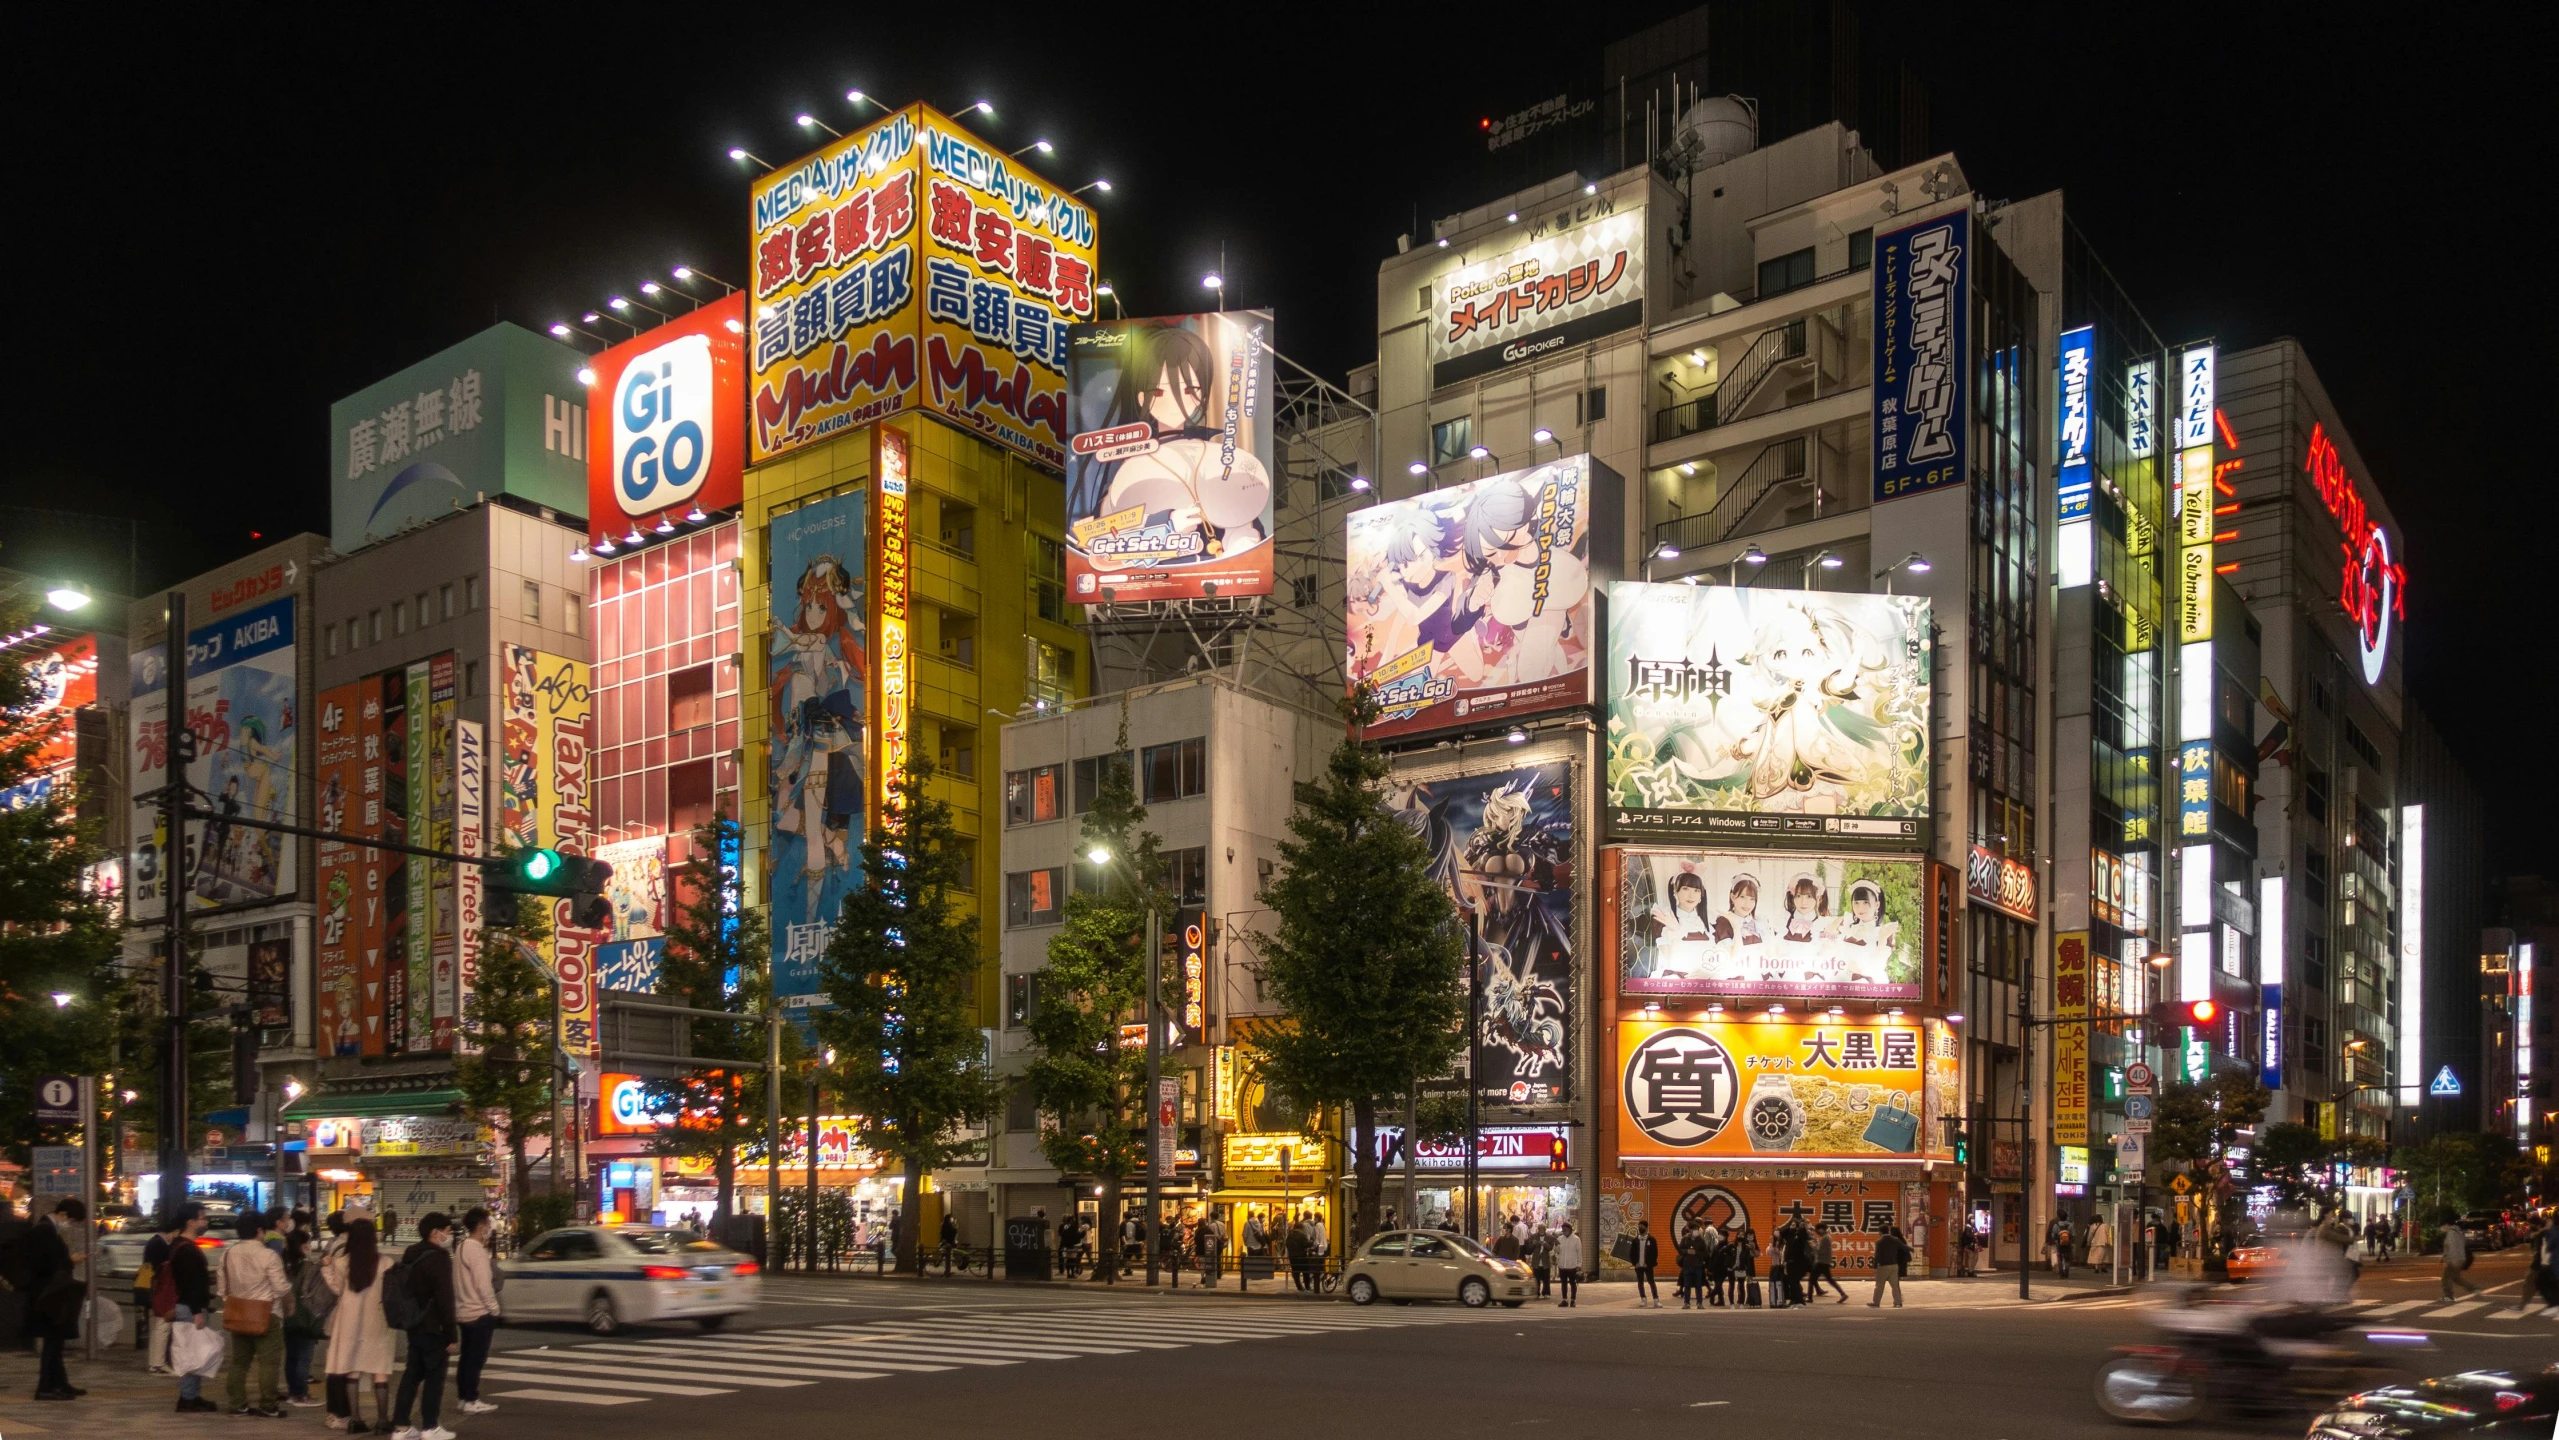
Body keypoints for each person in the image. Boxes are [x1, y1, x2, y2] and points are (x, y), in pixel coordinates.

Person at [391, 1211, 458, 1440]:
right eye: (447, 1232)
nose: (449, 1237)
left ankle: (401, 1427)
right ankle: (430, 1427)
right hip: (434, 1326)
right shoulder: (438, 1259)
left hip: (414, 1324)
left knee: (411, 1375)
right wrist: (451, 1334)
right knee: (434, 1378)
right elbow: (445, 1299)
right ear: (435, 1233)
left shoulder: (411, 1254)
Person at [324, 1217, 394, 1434]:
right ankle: (382, 1421)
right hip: (378, 1320)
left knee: (352, 1370)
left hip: (349, 1321)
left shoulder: (342, 1262)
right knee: (379, 1371)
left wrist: (326, 1268)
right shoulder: (386, 1263)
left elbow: (337, 1288)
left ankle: (355, 1420)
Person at [221, 1209, 289, 1416]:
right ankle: (268, 1405)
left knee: (239, 1362)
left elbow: (222, 1289)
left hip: (238, 1311)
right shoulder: (268, 1255)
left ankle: (237, 1403)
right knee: (269, 1362)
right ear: (260, 1230)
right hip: (266, 1313)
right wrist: (290, 1291)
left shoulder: (228, 1253)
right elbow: (280, 1287)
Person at [22, 1197, 86, 1401]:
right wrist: (70, 1260)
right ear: (63, 1214)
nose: (71, 1225)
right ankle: (45, 1387)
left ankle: (59, 1383)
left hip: (50, 1294)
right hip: (48, 1295)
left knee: (56, 1341)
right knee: (52, 1341)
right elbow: (45, 1265)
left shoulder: (47, 1230)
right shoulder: (44, 1231)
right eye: (72, 1221)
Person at [452, 1208, 502, 1417]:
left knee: (466, 1358)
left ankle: (464, 1398)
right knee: (476, 1359)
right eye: (488, 1226)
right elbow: (483, 1285)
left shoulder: (461, 1247)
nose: (490, 1230)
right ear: (481, 1227)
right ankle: (472, 1399)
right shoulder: (477, 1251)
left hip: (463, 1311)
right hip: (479, 1312)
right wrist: (494, 1308)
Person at [283, 1223, 327, 1408]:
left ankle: (293, 1392)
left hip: (286, 1316)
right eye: (307, 1243)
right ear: (302, 1246)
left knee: (291, 1356)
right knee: (303, 1357)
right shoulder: (308, 1266)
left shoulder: (283, 1265)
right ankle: (301, 1394)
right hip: (305, 1317)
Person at [2439, 1218, 2480, 1302]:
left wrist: (2449, 1260)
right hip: (2460, 1258)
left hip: (2454, 1259)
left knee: (2445, 1278)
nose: (2441, 1228)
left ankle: (2449, 1296)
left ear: (2446, 1225)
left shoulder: (2451, 1233)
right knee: (2456, 1278)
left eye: (2442, 1226)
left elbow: (2453, 1248)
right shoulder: (2458, 1231)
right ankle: (2474, 1289)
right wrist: (2444, 1257)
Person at [1870, 1224, 1910, 1307]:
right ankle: (1898, 1302)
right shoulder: (1895, 1239)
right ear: (1888, 1231)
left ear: (1880, 1232)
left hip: (1883, 1266)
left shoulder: (1879, 1241)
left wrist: (1874, 1266)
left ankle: (1876, 1302)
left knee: (1879, 1285)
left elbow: (1877, 1255)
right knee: (1895, 1285)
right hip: (1894, 1266)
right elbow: (1904, 1247)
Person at [1808, 1222, 1848, 1303]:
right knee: (1830, 1280)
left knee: (1811, 1279)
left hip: (1821, 1262)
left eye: (1817, 1230)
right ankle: (1843, 1294)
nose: (1817, 1232)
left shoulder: (1825, 1238)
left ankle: (1809, 1298)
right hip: (1825, 1262)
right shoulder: (1827, 1237)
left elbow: (1820, 1251)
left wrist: (1813, 1246)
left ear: (1821, 1229)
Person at [1629, 1220, 1661, 1308]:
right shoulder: (1635, 1240)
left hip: (1648, 1266)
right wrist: (1635, 1263)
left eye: (1642, 1226)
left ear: (1646, 1228)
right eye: (1639, 1226)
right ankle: (1643, 1299)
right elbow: (1632, 1253)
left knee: (1651, 1282)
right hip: (1638, 1266)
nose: (1640, 1228)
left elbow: (1655, 1253)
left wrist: (1649, 1263)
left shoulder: (1652, 1239)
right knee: (1640, 1282)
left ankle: (1656, 1299)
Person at [1675, 1226, 1708, 1310]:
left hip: (1698, 1266)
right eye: (1693, 1229)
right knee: (1687, 1285)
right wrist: (1687, 1251)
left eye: (1696, 1230)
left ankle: (1699, 1303)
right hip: (1687, 1265)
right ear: (1690, 1230)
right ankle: (1686, 1303)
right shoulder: (1685, 1239)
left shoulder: (1701, 1240)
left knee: (1698, 1285)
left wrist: (1696, 1253)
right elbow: (1680, 1250)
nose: (1695, 1231)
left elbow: (1705, 1253)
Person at [1551, 1222, 1582, 1308]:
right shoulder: (1560, 1239)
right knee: (1563, 1283)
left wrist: (1579, 1265)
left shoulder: (1576, 1239)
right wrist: (1556, 1245)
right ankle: (1564, 1299)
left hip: (1572, 1265)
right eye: (1563, 1230)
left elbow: (1579, 1253)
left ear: (1569, 1229)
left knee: (1573, 1283)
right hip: (1562, 1265)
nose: (1564, 1231)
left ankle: (1573, 1300)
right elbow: (1557, 1251)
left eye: (1565, 1230)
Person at [1198, 1212, 1227, 1288]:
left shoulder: (1211, 1225)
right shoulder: (1222, 1224)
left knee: (1213, 1258)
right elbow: (1224, 1234)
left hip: (1213, 1243)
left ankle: (1215, 1273)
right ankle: (1219, 1273)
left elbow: (1209, 1235)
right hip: (1221, 1242)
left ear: (1211, 1217)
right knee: (1218, 1257)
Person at [2086, 1214, 2115, 1279]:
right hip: (2104, 1242)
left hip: (2096, 1242)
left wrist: (2088, 1241)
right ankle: (2103, 1267)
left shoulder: (2093, 1226)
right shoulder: (2105, 1225)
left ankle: (2096, 1267)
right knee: (2104, 1255)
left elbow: (2090, 1235)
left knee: (2096, 1255)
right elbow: (2108, 1234)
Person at [2048, 1215, 2074, 1280]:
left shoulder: (2056, 1225)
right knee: (2067, 1259)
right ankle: (2066, 1273)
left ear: (2059, 1218)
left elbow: (2053, 1235)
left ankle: (2061, 1274)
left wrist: (2056, 1240)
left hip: (2059, 1244)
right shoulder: (2070, 1225)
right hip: (2068, 1244)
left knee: (2060, 1258)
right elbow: (2073, 1235)